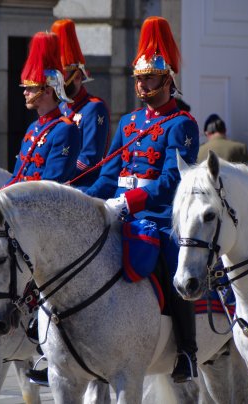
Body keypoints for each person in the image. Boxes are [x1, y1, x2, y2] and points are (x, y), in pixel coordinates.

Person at [85, 16, 200, 382]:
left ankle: (187, 352)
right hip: (121, 210)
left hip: (160, 215)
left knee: (172, 266)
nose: (141, 84)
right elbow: (108, 173)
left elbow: (170, 182)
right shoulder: (129, 122)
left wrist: (129, 203)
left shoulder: (181, 123)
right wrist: (85, 200)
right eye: (138, 78)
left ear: (167, 80)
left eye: (149, 78)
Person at [5, 32, 80, 186]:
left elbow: (51, 183)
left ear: (47, 91)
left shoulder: (65, 129)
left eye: (31, 88)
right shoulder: (33, 127)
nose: (25, 92)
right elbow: (16, 176)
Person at [51, 19, 110, 189]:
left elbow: (90, 158)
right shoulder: (59, 107)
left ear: (77, 77)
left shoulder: (93, 108)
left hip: (81, 187)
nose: (58, 83)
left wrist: (58, 176)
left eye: (63, 77)